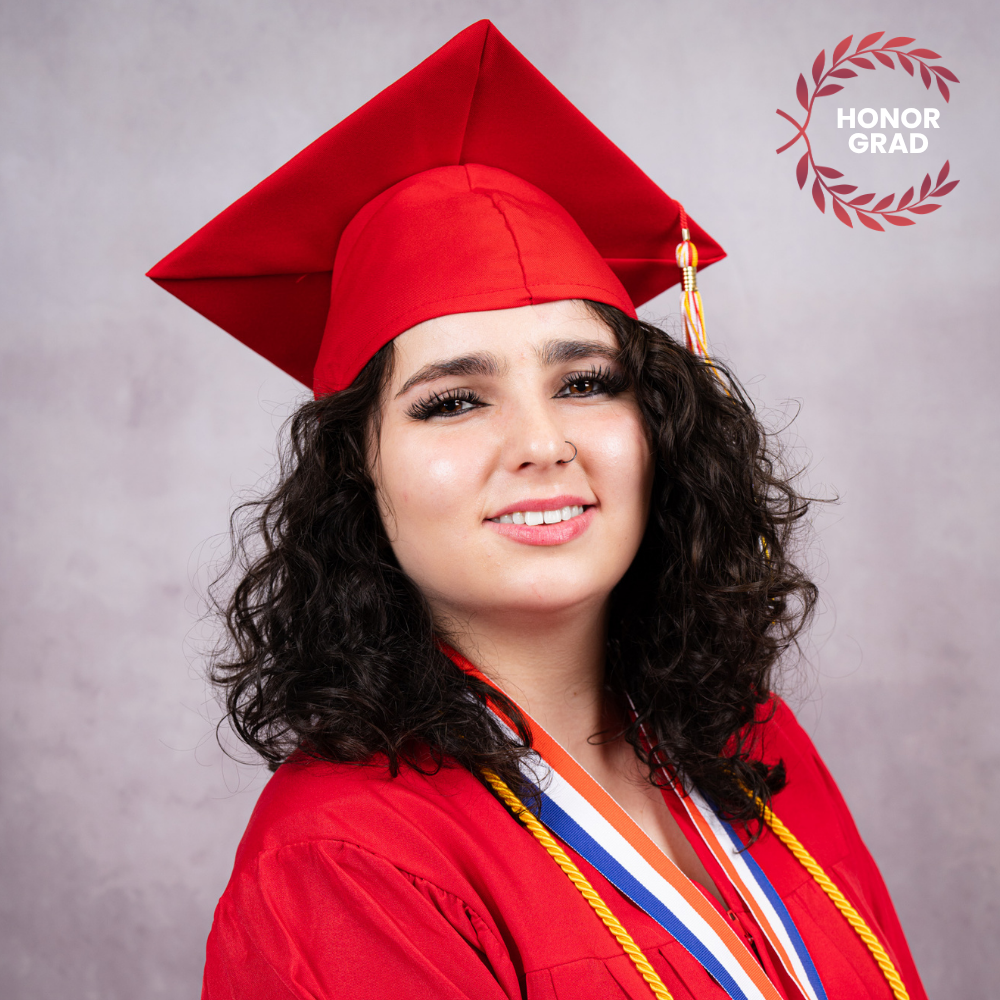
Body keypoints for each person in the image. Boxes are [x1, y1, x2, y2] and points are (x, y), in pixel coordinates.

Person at [149, 20, 927, 1000]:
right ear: (361, 474)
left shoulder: (750, 743)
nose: (541, 442)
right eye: (452, 400)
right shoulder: (346, 859)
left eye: (587, 382)